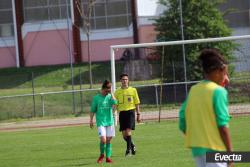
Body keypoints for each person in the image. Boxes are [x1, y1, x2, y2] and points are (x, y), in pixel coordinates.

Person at [179, 48, 233, 167]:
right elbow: (223, 126)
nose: (226, 78)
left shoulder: (194, 90)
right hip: (215, 148)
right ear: (219, 70)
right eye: (225, 73)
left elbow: (182, 119)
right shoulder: (218, 91)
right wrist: (230, 156)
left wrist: (197, 136)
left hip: (197, 149)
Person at [90, 80, 117, 164]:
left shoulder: (110, 96)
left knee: (109, 140)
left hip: (110, 121)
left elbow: (116, 103)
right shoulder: (96, 98)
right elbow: (92, 110)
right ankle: (102, 155)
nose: (109, 90)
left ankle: (108, 157)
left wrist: (112, 93)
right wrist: (91, 120)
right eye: (108, 89)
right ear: (104, 88)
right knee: (103, 140)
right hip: (101, 122)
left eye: (110, 89)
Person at [114, 73, 141, 156]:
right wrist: (112, 112)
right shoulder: (117, 91)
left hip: (130, 112)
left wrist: (138, 114)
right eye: (123, 79)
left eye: (126, 79)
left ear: (128, 80)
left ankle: (128, 150)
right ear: (120, 81)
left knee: (128, 131)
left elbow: (137, 103)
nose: (125, 81)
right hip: (122, 113)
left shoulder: (133, 90)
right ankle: (132, 146)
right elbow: (115, 104)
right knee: (124, 135)